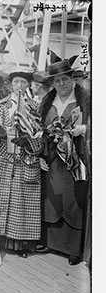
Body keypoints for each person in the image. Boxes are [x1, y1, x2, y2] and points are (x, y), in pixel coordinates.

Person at [0, 67, 43, 258]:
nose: (19, 86)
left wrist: (29, 142)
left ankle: (21, 244)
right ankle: (0, 240)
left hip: (24, 159)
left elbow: (42, 135)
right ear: (10, 84)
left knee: (21, 203)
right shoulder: (1, 105)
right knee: (2, 200)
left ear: (28, 85)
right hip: (4, 159)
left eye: (23, 82)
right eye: (16, 82)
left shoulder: (35, 107)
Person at [38, 60, 90, 266]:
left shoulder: (85, 100)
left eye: (65, 79)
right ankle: (51, 242)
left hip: (75, 157)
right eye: (57, 80)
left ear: (72, 80)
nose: (61, 83)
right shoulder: (47, 103)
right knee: (52, 197)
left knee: (73, 198)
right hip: (52, 158)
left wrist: (83, 129)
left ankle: (73, 248)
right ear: (53, 83)